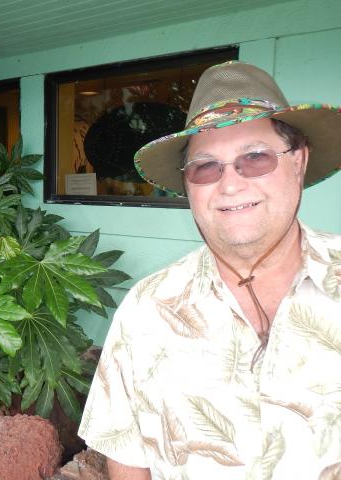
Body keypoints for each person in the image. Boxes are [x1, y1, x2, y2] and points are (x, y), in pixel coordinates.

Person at [78, 61, 341, 479]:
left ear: (299, 160)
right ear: (187, 185)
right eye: (206, 166)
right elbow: (127, 457)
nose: (230, 184)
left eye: (255, 157)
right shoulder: (147, 310)